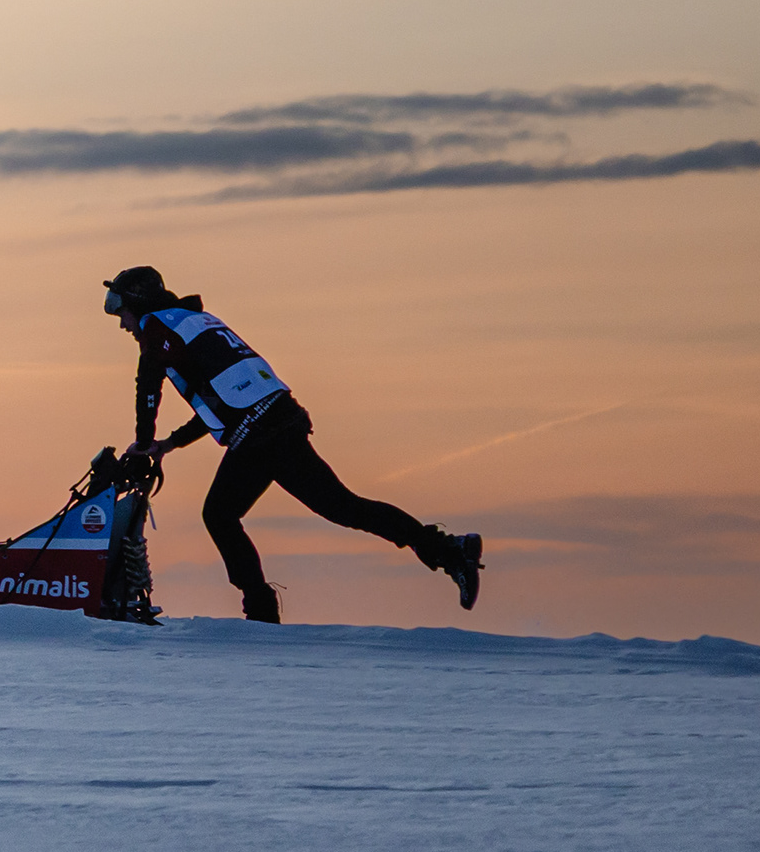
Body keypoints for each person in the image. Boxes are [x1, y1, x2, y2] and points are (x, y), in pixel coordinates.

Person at [105, 266, 480, 622]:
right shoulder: (193, 321)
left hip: (260, 434)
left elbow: (148, 384)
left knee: (223, 515)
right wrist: (168, 444)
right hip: (275, 422)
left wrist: (143, 441)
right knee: (342, 507)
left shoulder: (158, 326)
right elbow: (223, 399)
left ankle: (261, 611)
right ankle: (449, 550)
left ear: (138, 302)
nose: (122, 324)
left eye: (121, 312)